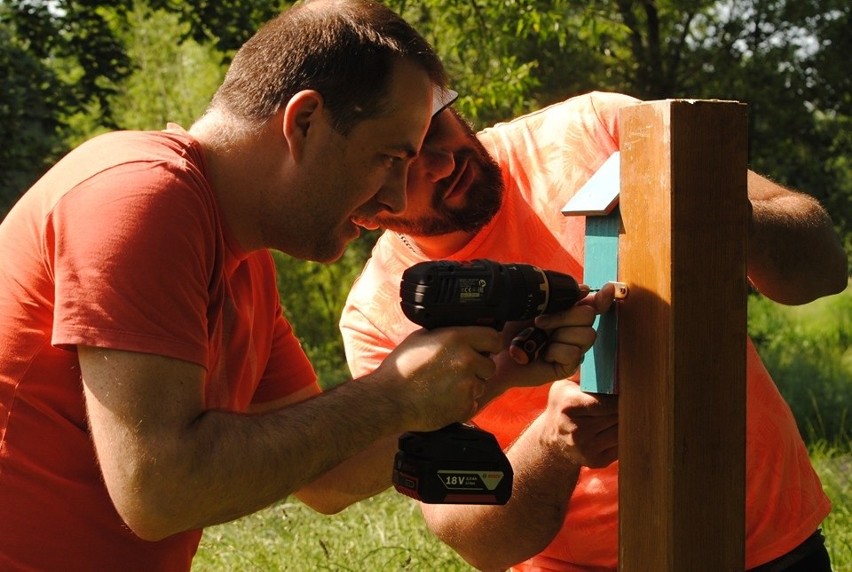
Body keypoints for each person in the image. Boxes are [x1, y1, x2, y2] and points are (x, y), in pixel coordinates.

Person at [0, 1, 607, 569]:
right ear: (306, 121)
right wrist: (395, 394)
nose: (393, 200)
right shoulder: (139, 193)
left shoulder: (244, 262)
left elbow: (326, 476)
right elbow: (158, 489)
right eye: (389, 159)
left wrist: (498, 368)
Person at [340, 91, 848, 571]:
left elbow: (825, 267)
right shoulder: (381, 318)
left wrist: (722, 215)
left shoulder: (599, 129)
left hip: (769, 546)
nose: (443, 163)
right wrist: (552, 445)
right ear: (363, 211)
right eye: (402, 168)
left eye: (434, 129)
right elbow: (478, 541)